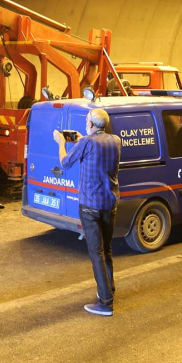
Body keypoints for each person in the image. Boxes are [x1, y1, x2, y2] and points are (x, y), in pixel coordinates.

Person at [53, 109, 121, 317]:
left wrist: (61, 143)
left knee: (96, 252)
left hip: (90, 205)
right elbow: (96, 148)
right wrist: (83, 140)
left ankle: (105, 302)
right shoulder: (115, 141)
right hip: (110, 203)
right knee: (106, 250)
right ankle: (109, 290)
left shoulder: (86, 143)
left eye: (87, 120)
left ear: (91, 124)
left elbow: (65, 163)